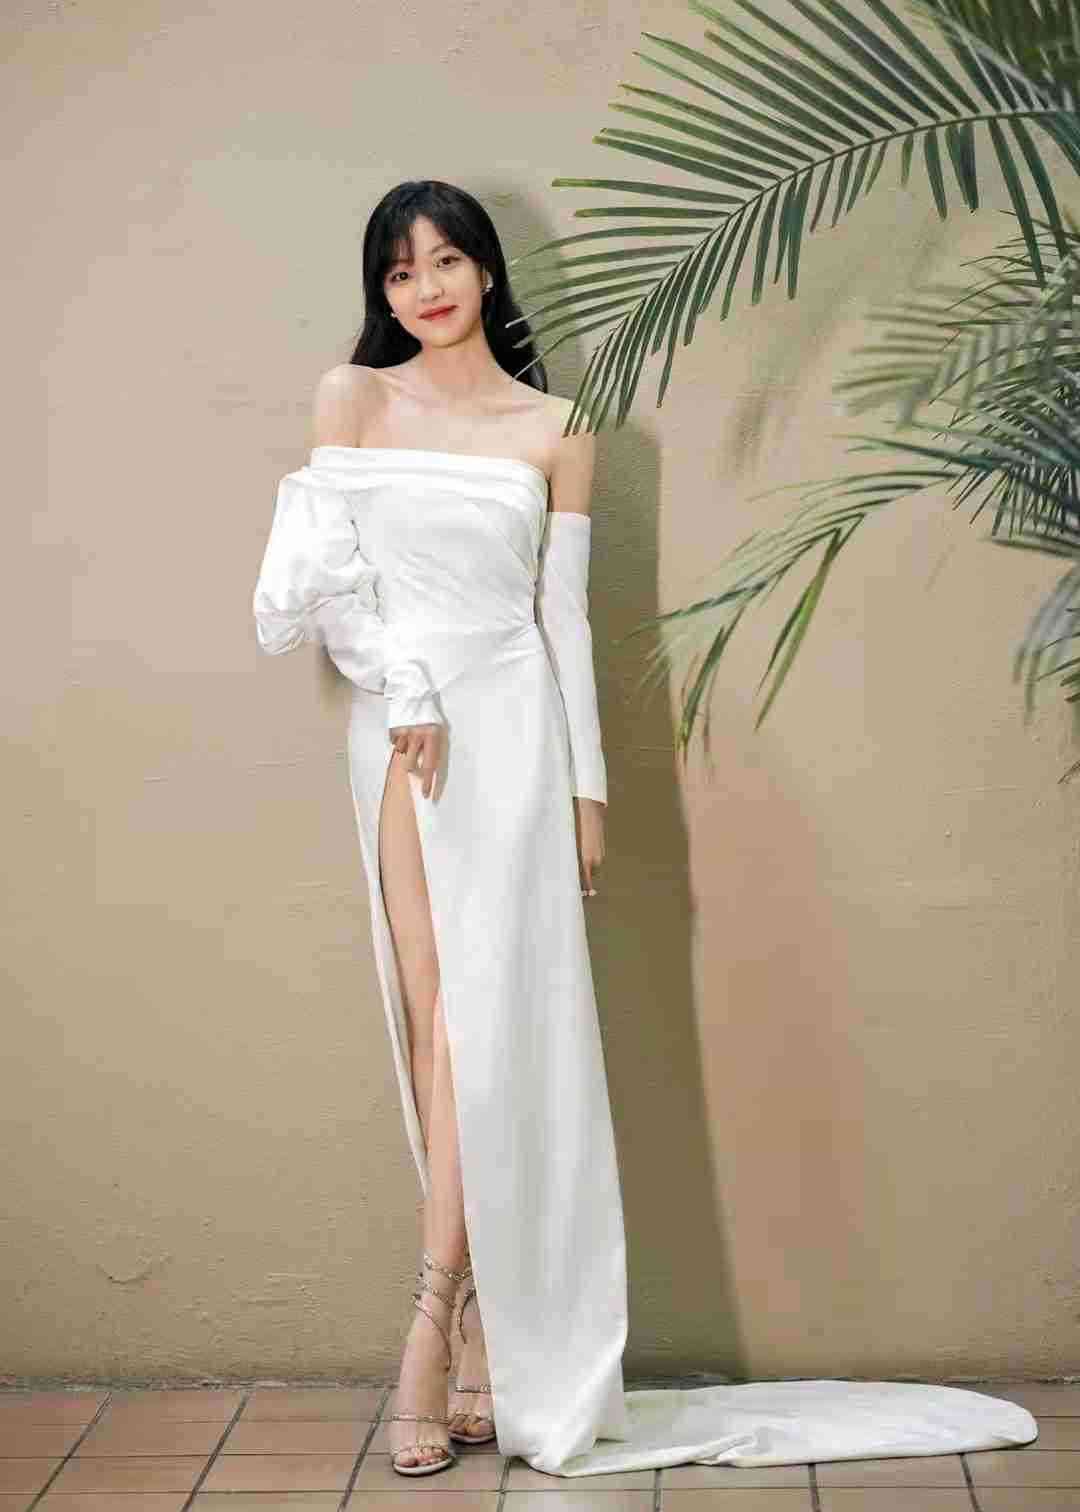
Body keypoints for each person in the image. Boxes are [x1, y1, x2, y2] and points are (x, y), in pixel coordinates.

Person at [252, 180, 1038, 1479]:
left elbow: (562, 620)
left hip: (515, 733)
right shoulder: (353, 399)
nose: (425, 288)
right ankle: (478, 1323)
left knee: (483, 1030)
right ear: (381, 291)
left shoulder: (557, 428)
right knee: (436, 1013)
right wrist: (407, 689)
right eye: (399, 271)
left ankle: (435, 1319)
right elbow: (319, 580)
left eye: (446, 261)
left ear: (487, 272)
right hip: (405, 732)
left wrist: (588, 795)